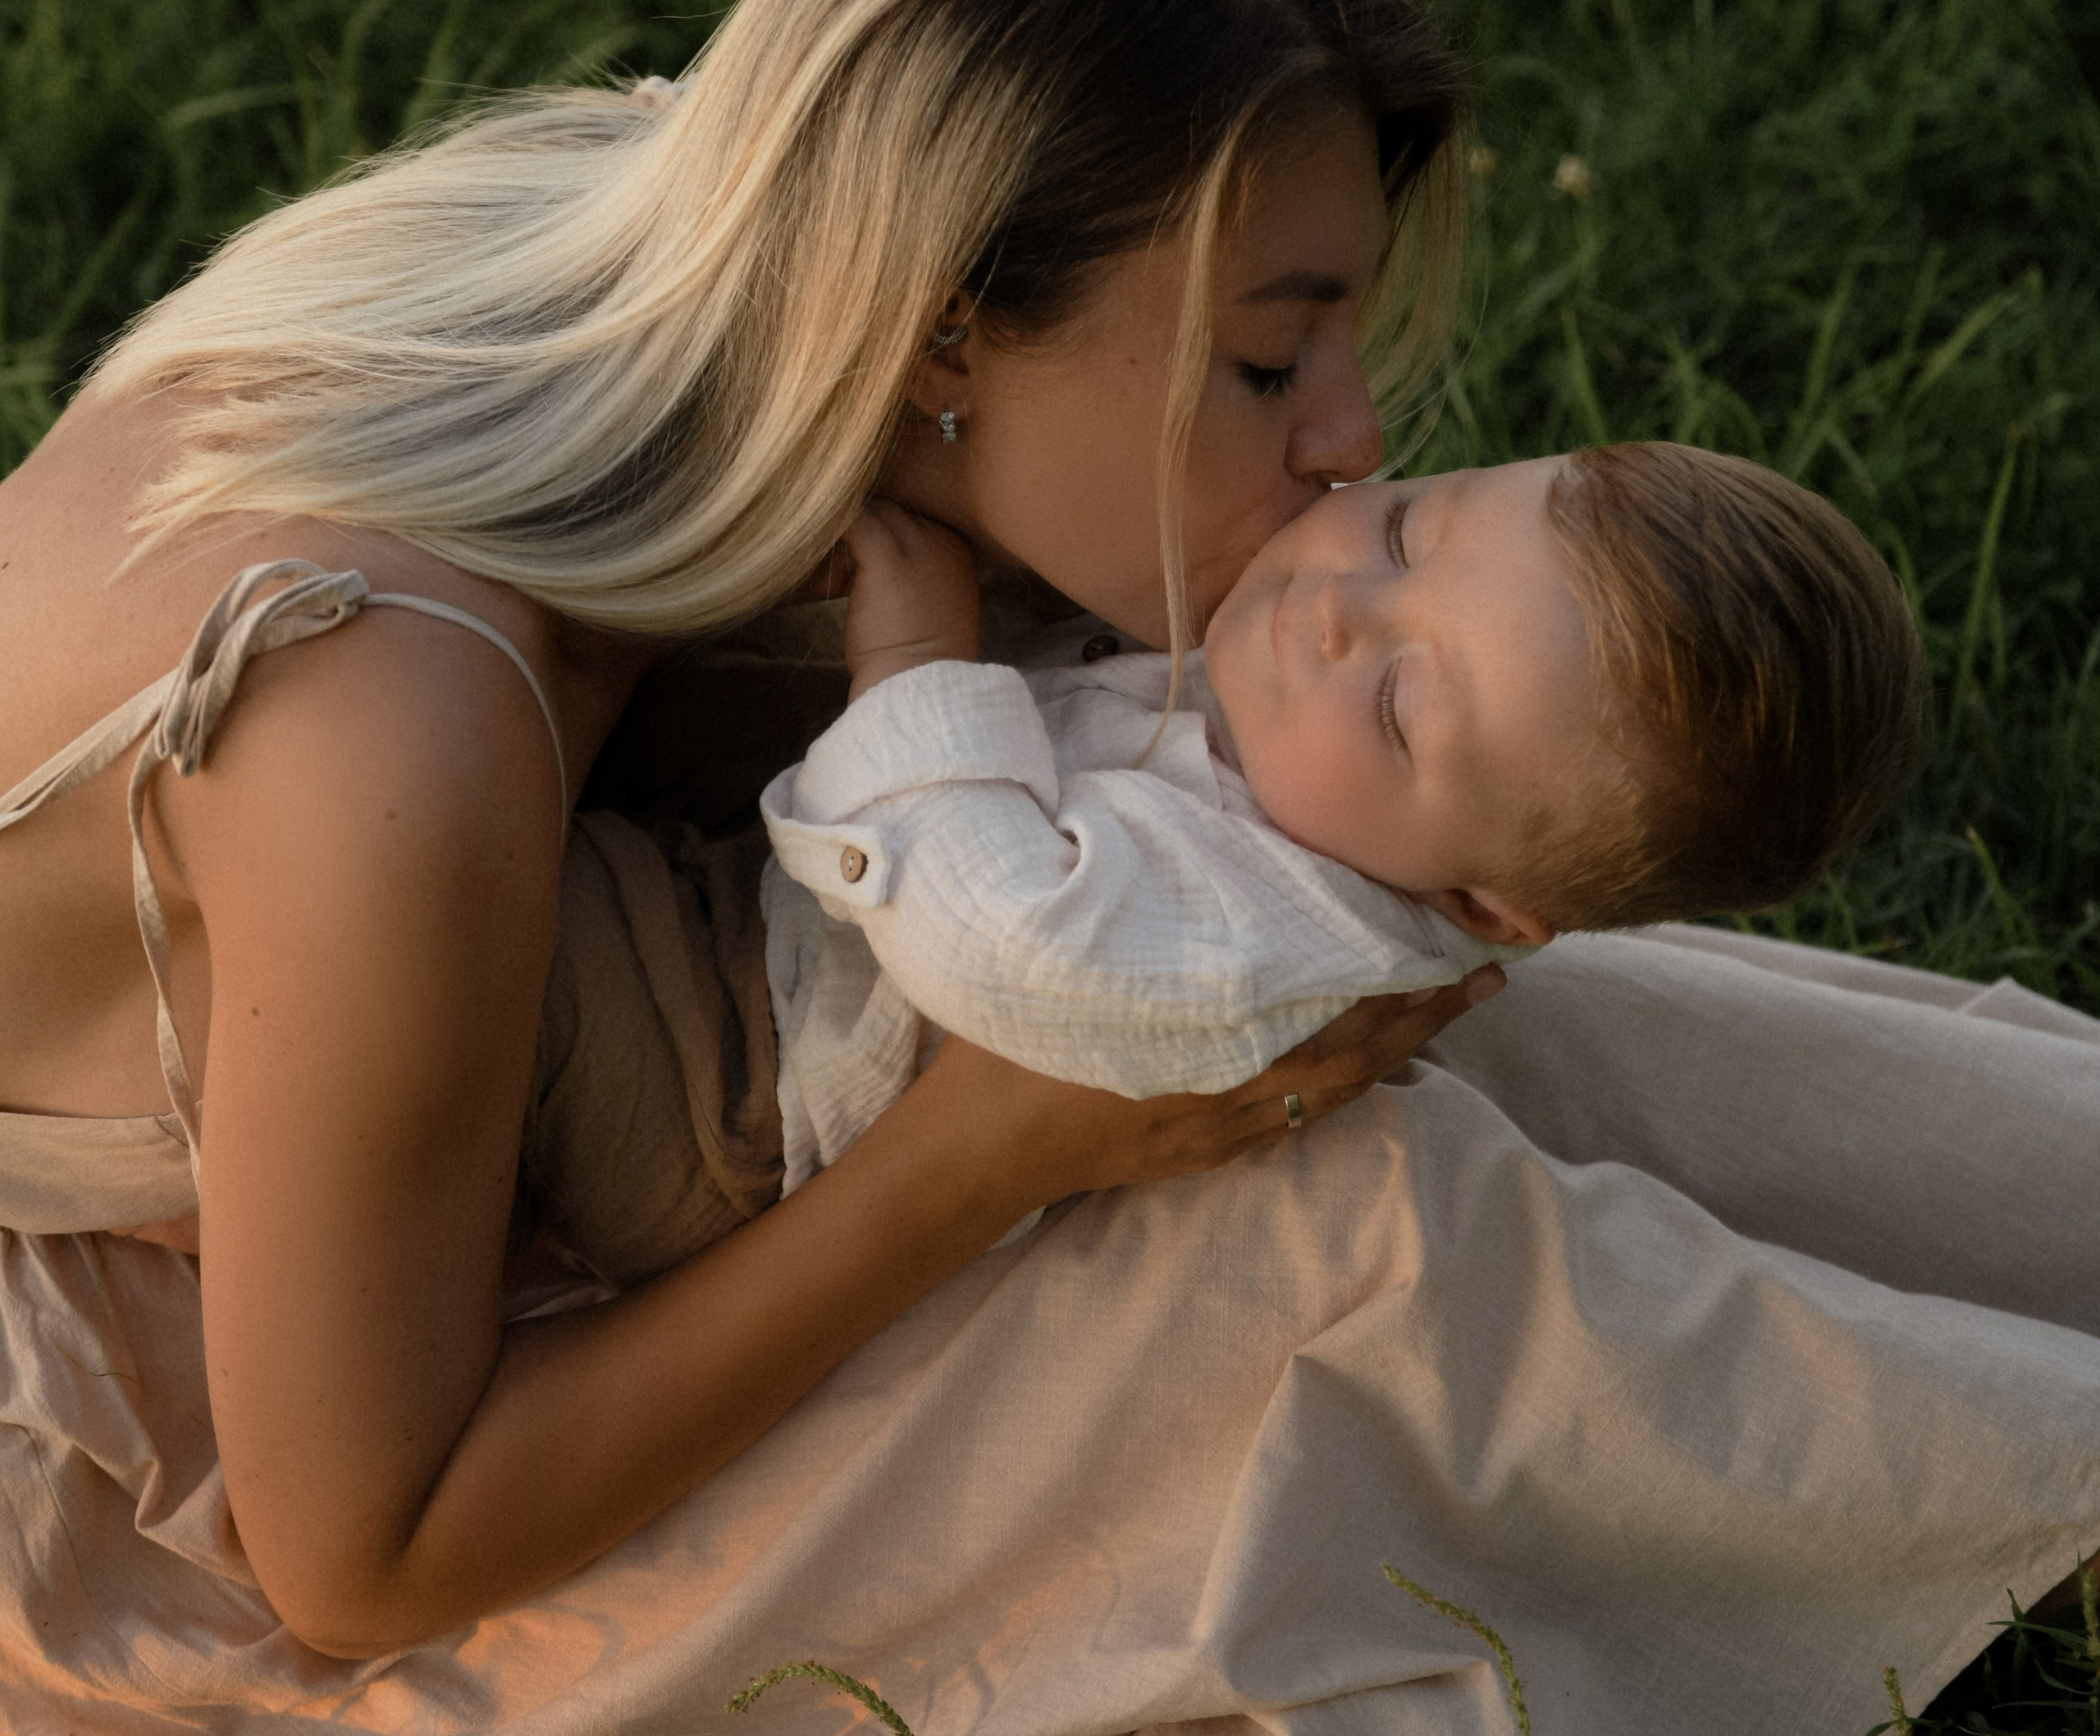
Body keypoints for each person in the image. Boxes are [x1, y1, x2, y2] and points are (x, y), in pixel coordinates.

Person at [0, 0, 2094, 1736]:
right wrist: (985, 1158)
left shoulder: (730, 320)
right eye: (1268, 355)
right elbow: (364, 1557)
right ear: (942, 325)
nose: (1351, 444)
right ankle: (2002, 1502)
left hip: (547, 1113)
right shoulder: (385, 725)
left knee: (1444, 995)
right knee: (1336, 1247)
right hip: (211, 1410)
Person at [748, 441, 1924, 1208]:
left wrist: (913, 659)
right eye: (1407, 530)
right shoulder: (1315, 764)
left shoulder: (1255, 937)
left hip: (730, 1070)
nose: (1336, 606)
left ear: (1474, 908)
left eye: (1404, 706)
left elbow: (994, 937)